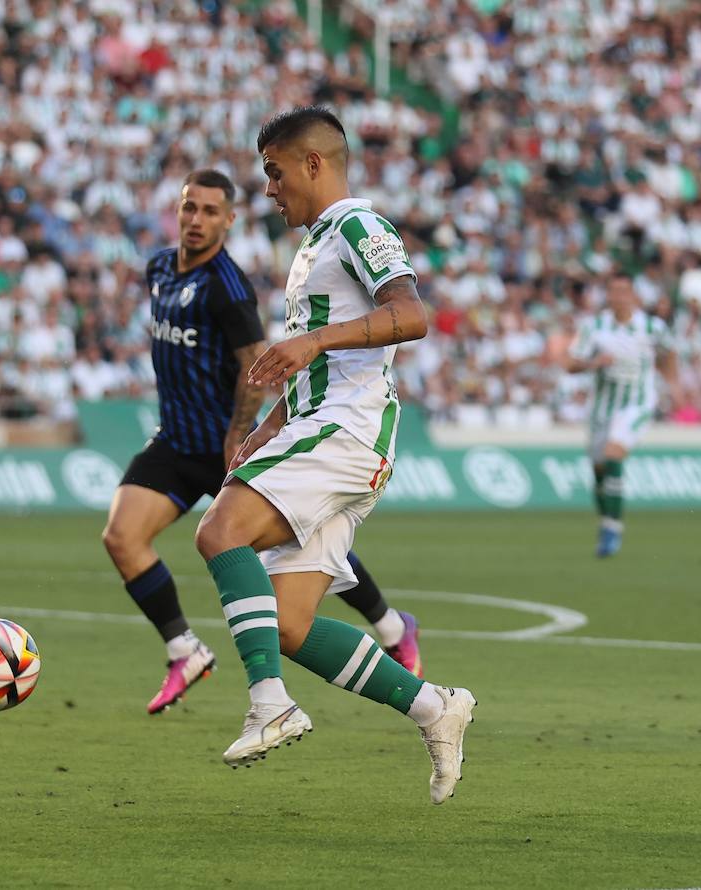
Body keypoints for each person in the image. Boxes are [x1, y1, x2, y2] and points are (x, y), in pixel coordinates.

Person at [192, 106, 476, 804]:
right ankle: (435, 708)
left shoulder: (358, 225)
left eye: (275, 172)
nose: (269, 189)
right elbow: (320, 367)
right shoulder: (316, 245)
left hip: (347, 433)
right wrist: (269, 427)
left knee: (220, 531)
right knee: (288, 626)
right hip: (329, 429)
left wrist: (313, 341)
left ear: (313, 164)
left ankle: (270, 704)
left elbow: (412, 316)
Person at [103, 169, 425, 717]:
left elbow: (255, 361)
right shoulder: (159, 269)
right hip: (177, 439)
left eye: (210, 211)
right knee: (121, 536)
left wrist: (243, 430)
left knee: (288, 538)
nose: (196, 220)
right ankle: (184, 650)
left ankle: (387, 628)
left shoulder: (228, 285)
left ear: (229, 221)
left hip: (227, 439)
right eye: (189, 208)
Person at [564, 273, 678, 557]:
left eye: (624, 291)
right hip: (602, 406)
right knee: (599, 469)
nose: (619, 297)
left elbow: (669, 351)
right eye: (613, 291)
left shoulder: (651, 326)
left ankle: (613, 528)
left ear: (633, 295)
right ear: (608, 295)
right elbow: (570, 364)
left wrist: (673, 384)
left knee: (613, 454)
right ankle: (606, 521)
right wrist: (594, 363)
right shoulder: (594, 327)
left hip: (636, 403)